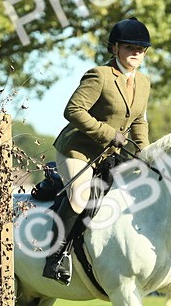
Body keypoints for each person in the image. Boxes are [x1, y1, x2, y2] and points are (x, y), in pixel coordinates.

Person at [43, 17, 153, 284]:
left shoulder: (144, 82)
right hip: (77, 149)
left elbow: (138, 120)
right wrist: (107, 133)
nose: (136, 53)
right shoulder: (100, 75)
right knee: (81, 197)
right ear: (114, 49)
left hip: (108, 156)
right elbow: (72, 110)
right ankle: (55, 257)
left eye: (141, 49)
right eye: (129, 48)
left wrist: (147, 155)